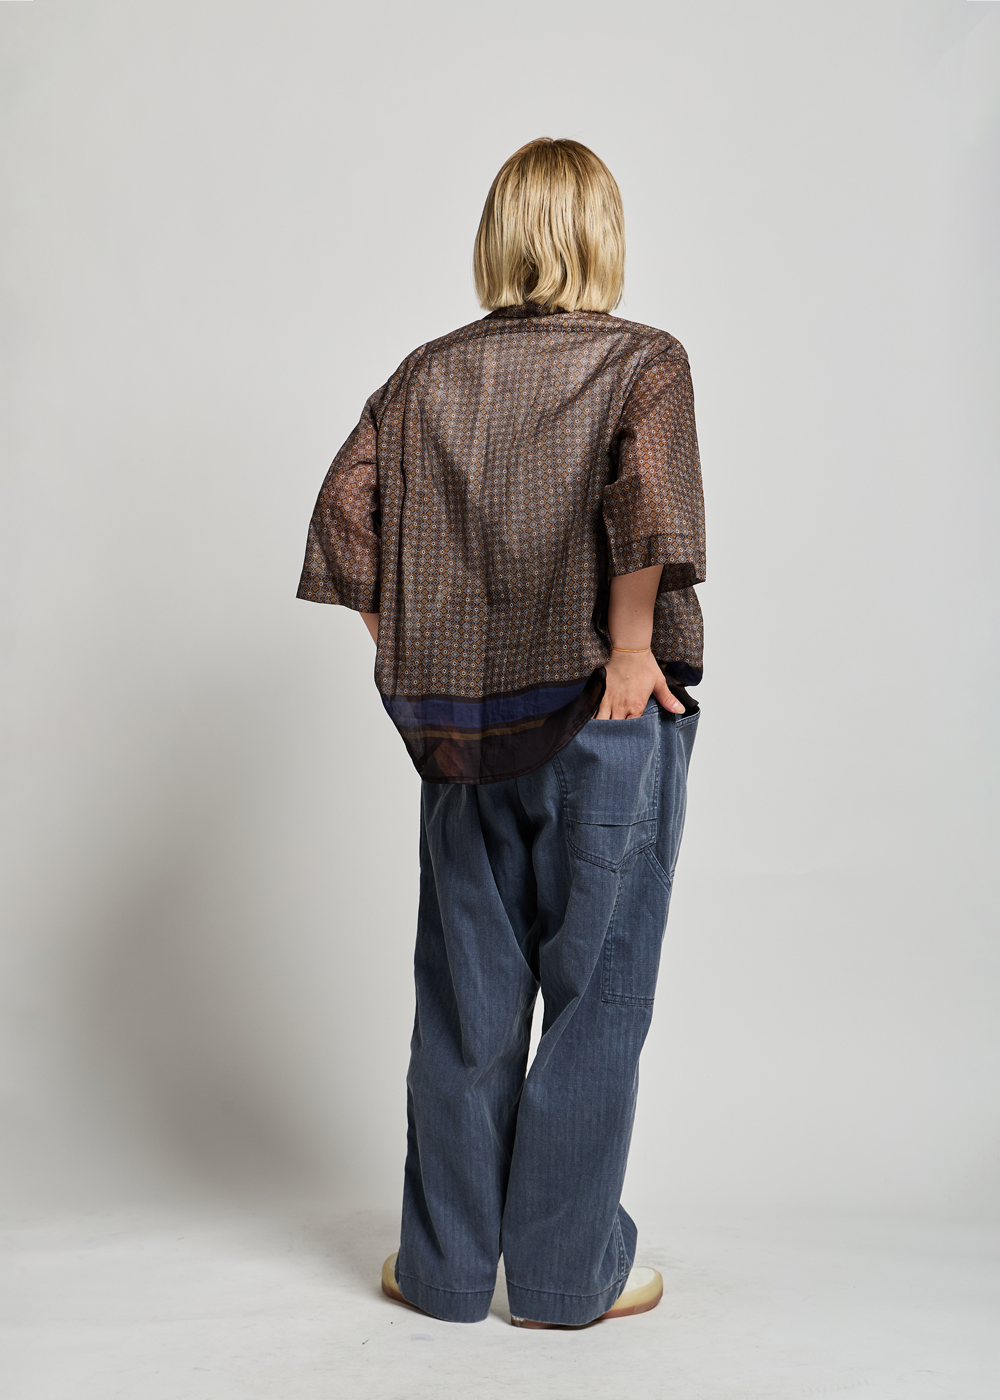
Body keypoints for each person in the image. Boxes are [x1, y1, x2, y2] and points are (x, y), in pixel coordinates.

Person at [297, 137, 706, 1329]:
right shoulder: (645, 361)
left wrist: (407, 641)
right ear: (601, 236)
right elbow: (650, 504)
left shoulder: (423, 376)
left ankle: (445, 1271)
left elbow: (344, 514)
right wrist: (627, 649)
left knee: (465, 995)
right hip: (605, 717)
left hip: (466, 727)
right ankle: (566, 1276)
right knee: (596, 997)